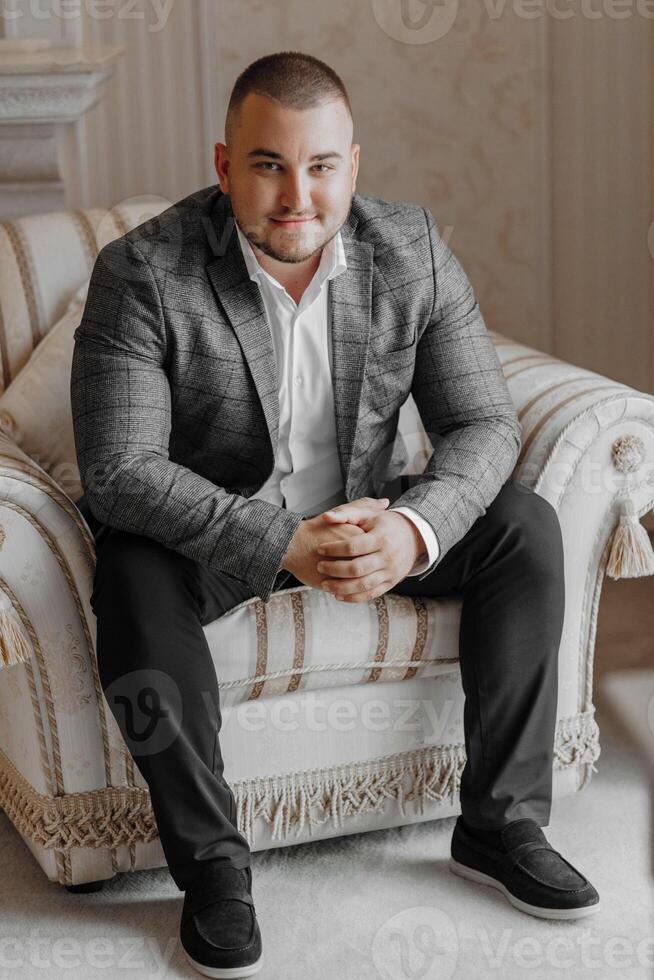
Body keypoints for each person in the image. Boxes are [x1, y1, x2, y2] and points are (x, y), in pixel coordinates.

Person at [71, 49, 599, 980]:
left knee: (524, 526)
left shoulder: (415, 250)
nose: (295, 197)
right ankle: (214, 872)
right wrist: (281, 541)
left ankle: (500, 822)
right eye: (268, 164)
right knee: (128, 574)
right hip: (219, 528)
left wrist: (414, 528)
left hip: (367, 513)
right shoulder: (143, 272)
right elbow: (119, 471)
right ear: (226, 165)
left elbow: (482, 420)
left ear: (353, 165)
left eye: (320, 167)